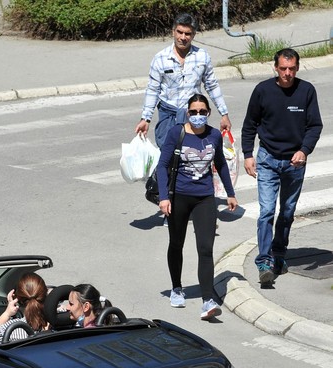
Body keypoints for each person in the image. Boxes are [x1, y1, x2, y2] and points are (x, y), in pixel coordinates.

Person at [241, 48, 323, 285]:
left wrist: (304, 150)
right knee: (267, 211)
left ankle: (279, 254)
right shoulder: (263, 91)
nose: (287, 73)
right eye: (283, 68)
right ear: (275, 68)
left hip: (294, 163)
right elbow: (250, 125)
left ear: (297, 68)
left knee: (287, 212)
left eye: (292, 69)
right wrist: (248, 155)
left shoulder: (306, 91)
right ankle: (264, 261)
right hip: (267, 159)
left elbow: (314, 126)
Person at [157, 94, 239, 320]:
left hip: (205, 198)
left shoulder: (214, 135)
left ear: (208, 113)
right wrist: (164, 198)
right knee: (176, 243)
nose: (198, 116)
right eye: (193, 112)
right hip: (179, 197)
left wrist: (230, 193)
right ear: (187, 112)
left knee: (205, 248)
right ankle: (176, 287)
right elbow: (162, 166)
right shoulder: (177, 133)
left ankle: (207, 299)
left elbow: (220, 164)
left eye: (203, 112)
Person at [135, 13, 231, 149]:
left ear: (193, 35)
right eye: (179, 32)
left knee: (195, 155)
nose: (183, 38)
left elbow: (212, 85)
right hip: (168, 115)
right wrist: (146, 119)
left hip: (194, 115)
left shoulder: (202, 56)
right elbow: (153, 90)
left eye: (188, 34)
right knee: (167, 159)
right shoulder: (160, 58)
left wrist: (224, 114)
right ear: (173, 32)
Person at [0, 273, 50, 343]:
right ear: (45, 294)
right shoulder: (60, 319)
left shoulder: (10, 329)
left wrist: (7, 314)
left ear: (18, 299)